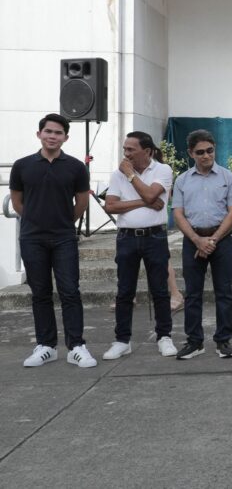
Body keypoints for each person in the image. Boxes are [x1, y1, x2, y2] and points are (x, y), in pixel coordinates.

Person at [10, 113, 94, 368]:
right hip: (32, 238)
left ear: (65, 138)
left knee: (70, 291)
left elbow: (81, 201)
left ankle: (76, 346)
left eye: (58, 133)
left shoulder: (76, 167)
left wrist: (64, 221)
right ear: (39, 134)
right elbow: (17, 201)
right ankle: (46, 345)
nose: (52, 136)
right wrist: (37, 219)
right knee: (40, 293)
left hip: (63, 238)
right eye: (48, 131)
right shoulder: (22, 165)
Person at [101, 131, 177, 360]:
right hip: (126, 238)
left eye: (131, 149)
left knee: (160, 290)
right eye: (125, 149)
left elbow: (152, 193)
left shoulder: (162, 170)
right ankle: (122, 340)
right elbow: (110, 207)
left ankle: (164, 336)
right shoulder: (118, 174)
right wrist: (143, 201)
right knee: (124, 291)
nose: (126, 154)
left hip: (155, 237)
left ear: (147, 151)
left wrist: (131, 176)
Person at [170, 130, 232, 359]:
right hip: (193, 241)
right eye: (200, 152)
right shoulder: (182, 180)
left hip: (221, 241)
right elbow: (178, 214)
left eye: (209, 150)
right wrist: (197, 240)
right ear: (191, 153)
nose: (205, 156)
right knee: (192, 294)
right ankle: (195, 341)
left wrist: (213, 239)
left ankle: (223, 341)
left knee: (224, 292)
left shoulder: (227, 178)